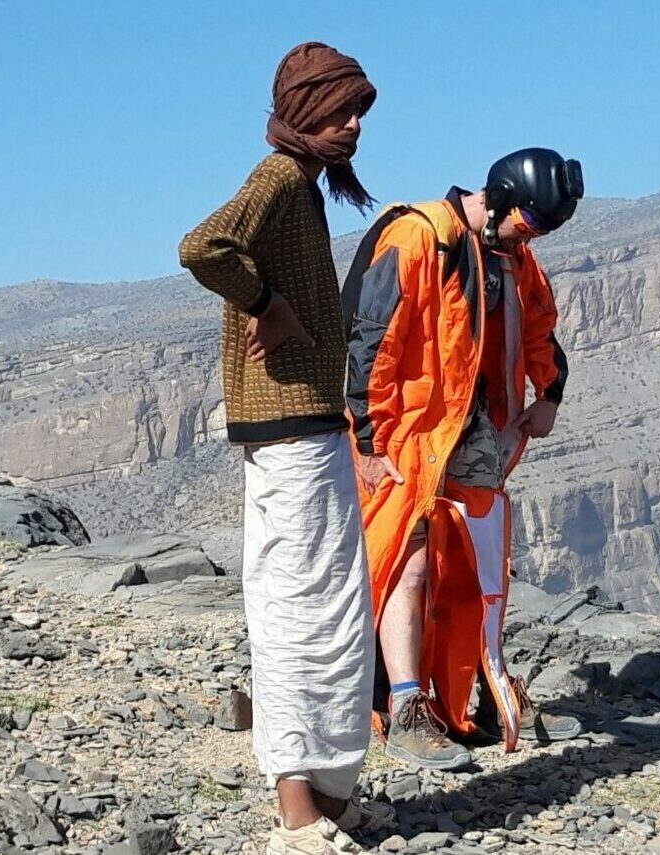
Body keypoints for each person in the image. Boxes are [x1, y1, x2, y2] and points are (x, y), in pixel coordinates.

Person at [179, 41, 390, 854]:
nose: (354, 126)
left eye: (359, 111)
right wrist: (266, 303)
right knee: (301, 612)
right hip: (289, 434)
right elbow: (202, 247)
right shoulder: (275, 177)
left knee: (335, 609)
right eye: (340, 111)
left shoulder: (301, 184)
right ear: (303, 113)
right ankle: (297, 812)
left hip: (311, 425)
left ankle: (331, 793)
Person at [343, 148, 585, 771]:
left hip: (470, 434)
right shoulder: (420, 237)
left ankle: (480, 698)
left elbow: (539, 325)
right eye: (530, 224)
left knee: (476, 569)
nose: (531, 238)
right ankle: (404, 708)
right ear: (501, 198)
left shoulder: (510, 255)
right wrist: (369, 444)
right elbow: (370, 344)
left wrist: (549, 393)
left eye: (541, 230)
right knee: (407, 563)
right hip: (405, 435)